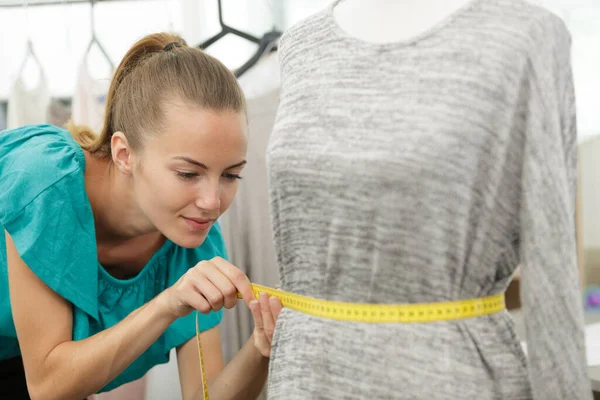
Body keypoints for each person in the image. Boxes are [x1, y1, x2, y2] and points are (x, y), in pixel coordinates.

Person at [264, 0, 591, 399]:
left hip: (444, 377)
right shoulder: (301, 43)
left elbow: (551, 265)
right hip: (304, 376)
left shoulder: (526, 37)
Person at [0, 33, 282, 400]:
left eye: (230, 175)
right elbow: (49, 385)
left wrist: (260, 349)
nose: (213, 202)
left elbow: (203, 395)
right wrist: (167, 304)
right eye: (188, 174)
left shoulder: (192, 240)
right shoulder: (44, 182)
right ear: (124, 154)